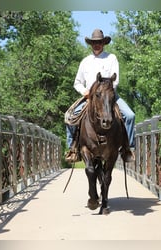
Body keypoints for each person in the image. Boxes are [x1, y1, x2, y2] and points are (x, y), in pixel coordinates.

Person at [65, 29, 135, 163]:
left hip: (109, 96)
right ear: (91, 44)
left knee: (130, 115)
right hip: (90, 97)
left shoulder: (111, 58)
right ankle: (73, 149)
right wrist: (85, 92)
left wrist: (106, 93)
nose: (97, 45)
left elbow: (116, 80)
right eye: (94, 43)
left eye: (99, 42)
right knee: (69, 117)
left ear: (104, 43)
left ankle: (128, 148)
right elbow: (77, 82)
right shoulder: (85, 61)